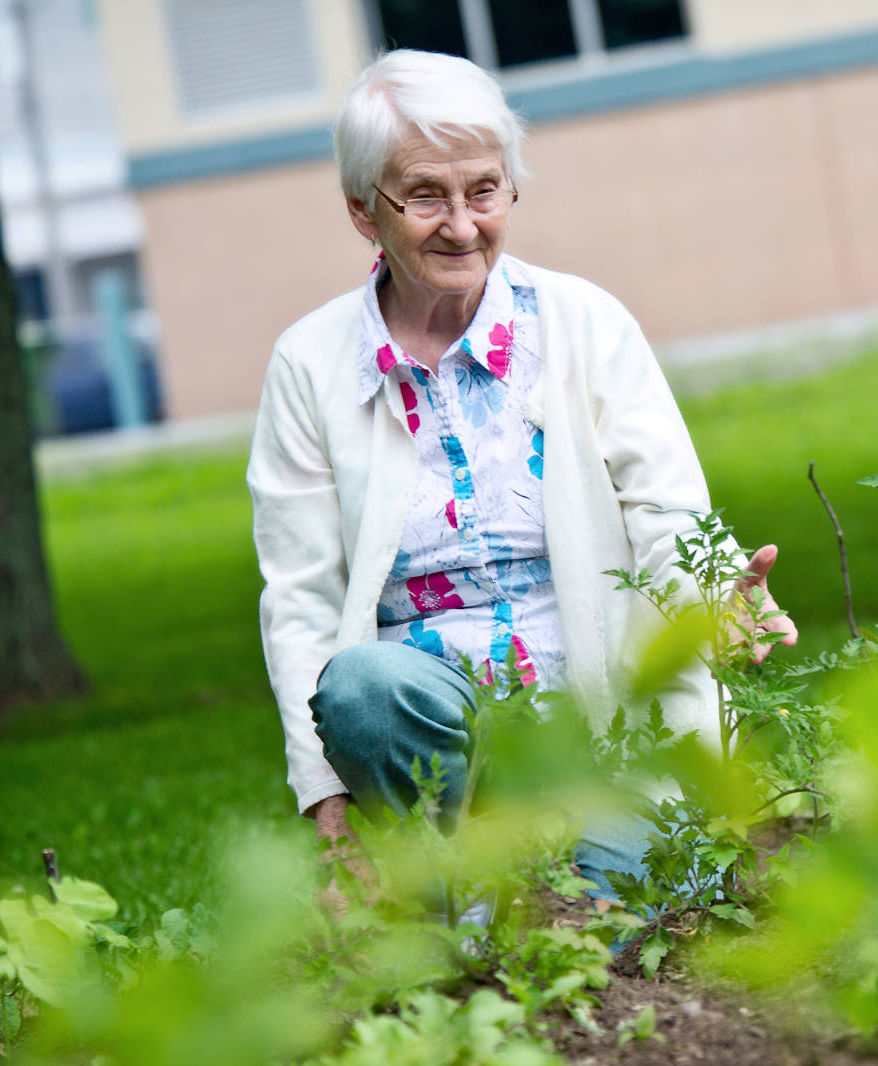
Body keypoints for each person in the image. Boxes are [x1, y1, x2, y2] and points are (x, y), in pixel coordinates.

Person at [246, 49, 797, 908]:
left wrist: (720, 590)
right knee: (359, 685)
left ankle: (520, 899)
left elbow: (667, 509)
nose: (462, 225)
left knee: (642, 905)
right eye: (425, 194)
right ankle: (458, 880)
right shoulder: (309, 365)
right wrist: (329, 808)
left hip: (602, 737)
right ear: (363, 210)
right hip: (440, 740)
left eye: (485, 190)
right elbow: (302, 601)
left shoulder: (586, 325)